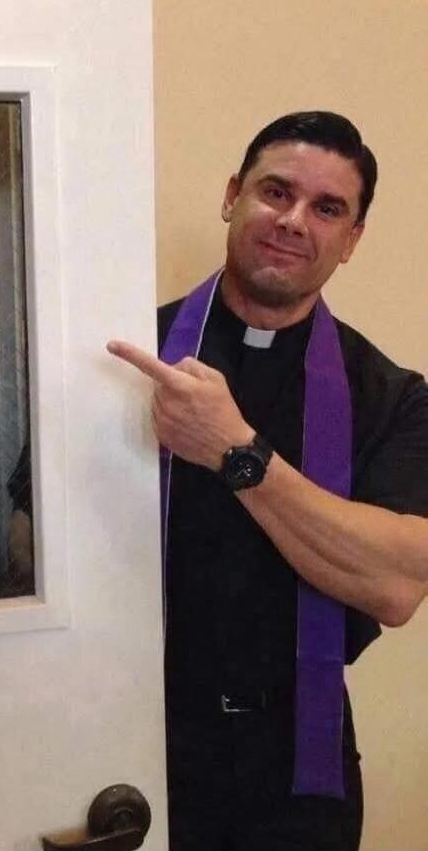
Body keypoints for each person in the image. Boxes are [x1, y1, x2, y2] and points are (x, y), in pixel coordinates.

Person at [107, 111, 428, 850]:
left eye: (326, 208)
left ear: (350, 240)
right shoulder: (126, 354)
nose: (291, 220)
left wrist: (234, 451)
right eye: (274, 191)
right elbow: (34, 540)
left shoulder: (395, 396)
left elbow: (394, 584)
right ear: (231, 196)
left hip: (297, 767)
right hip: (130, 740)